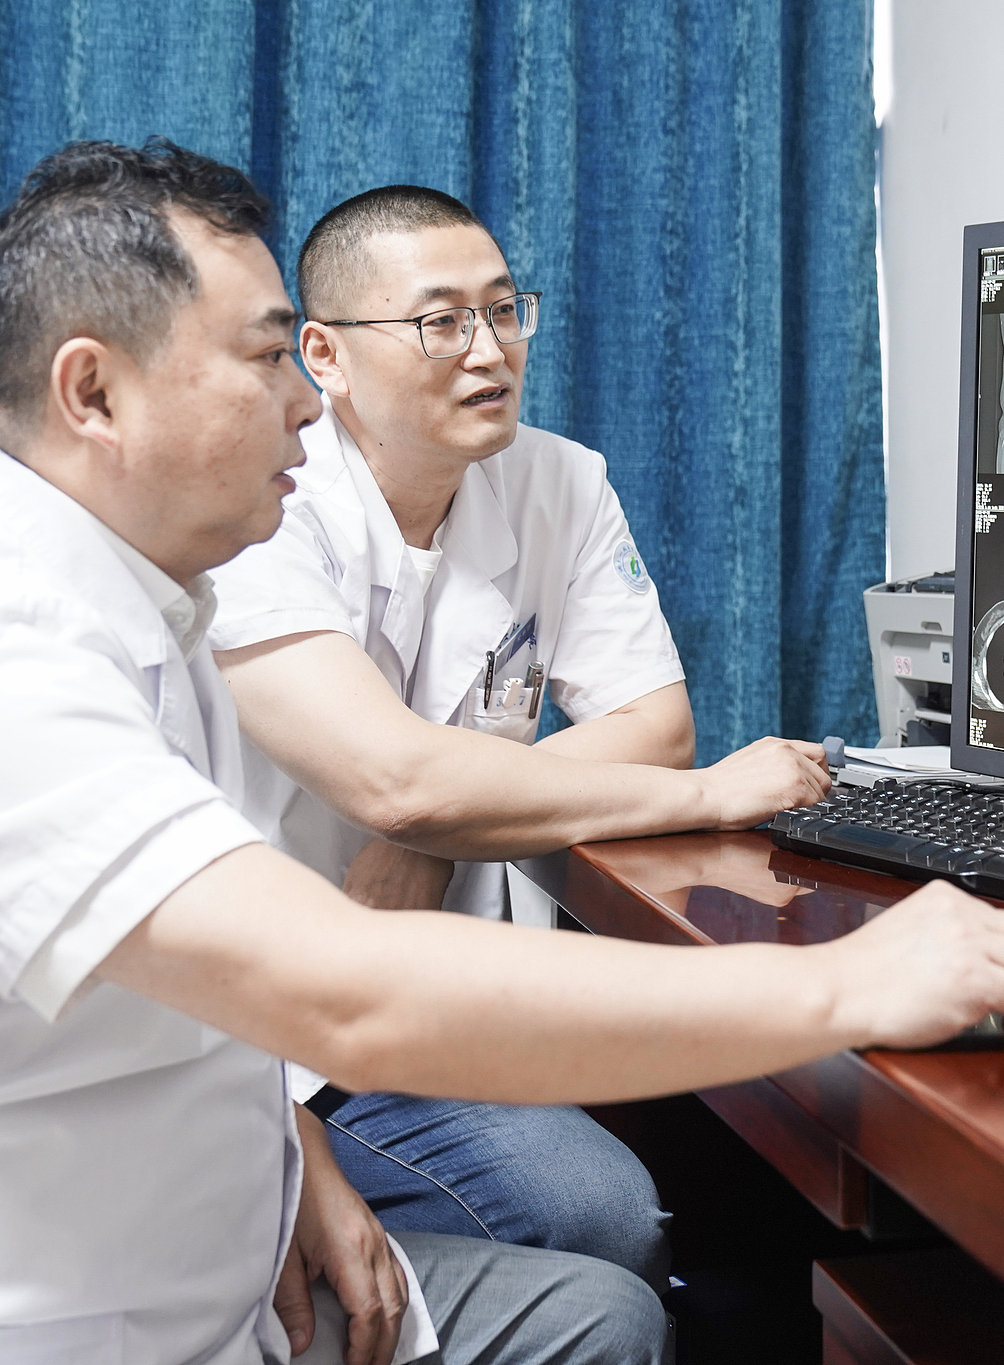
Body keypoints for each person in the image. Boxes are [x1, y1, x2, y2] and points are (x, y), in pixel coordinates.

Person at [0, 139, 1004, 1365]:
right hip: (68, 1319)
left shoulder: (148, 603)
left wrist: (285, 1150)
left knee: (611, 1311)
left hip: (226, 1228)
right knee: (604, 1217)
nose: (300, 404)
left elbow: (213, 968)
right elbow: (343, 978)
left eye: (504, 311)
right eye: (265, 356)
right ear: (93, 394)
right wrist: (850, 984)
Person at [201, 186, 786, 1284]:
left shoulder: (557, 480)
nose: (490, 349)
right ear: (322, 354)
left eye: (505, 308)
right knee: (600, 1211)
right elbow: (397, 781)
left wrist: (443, 830)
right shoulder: (262, 501)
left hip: (449, 977)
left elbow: (654, 726)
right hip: (274, 1030)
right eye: (440, 321)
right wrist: (707, 795)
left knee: (745, 1158)